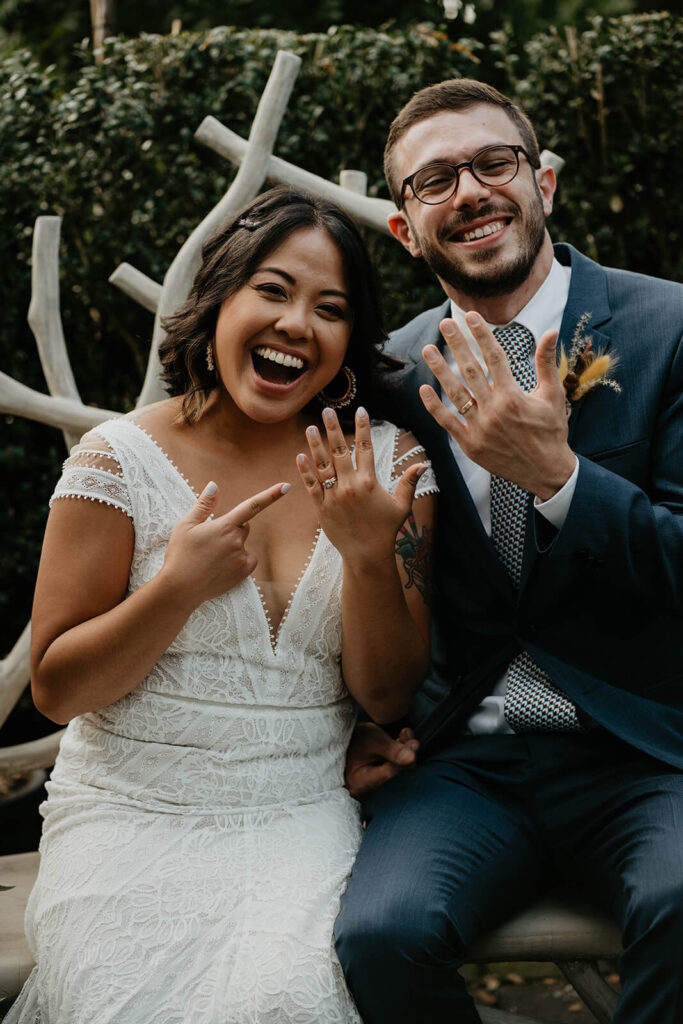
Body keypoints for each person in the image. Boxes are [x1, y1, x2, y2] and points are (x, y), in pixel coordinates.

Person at [6, 186, 437, 1024]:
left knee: (290, 998)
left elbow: (387, 698)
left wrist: (364, 559)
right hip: (129, 817)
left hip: (300, 816)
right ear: (218, 301)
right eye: (272, 290)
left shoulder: (388, 467)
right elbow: (57, 691)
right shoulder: (116, 460)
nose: (295, 324)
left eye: (330, 307)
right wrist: (175, 589)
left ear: (348, 342)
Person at [334, 79, 683, 1023]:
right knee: (380, 936)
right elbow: (357, 571)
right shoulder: (388, 376)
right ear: (405, 229)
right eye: (435, 179)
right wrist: (348, 722)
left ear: (545, 183)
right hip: (463, 765)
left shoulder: (669, 329)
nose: (471, 191)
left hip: (646, 752)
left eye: (494, 164)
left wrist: (561, 478)